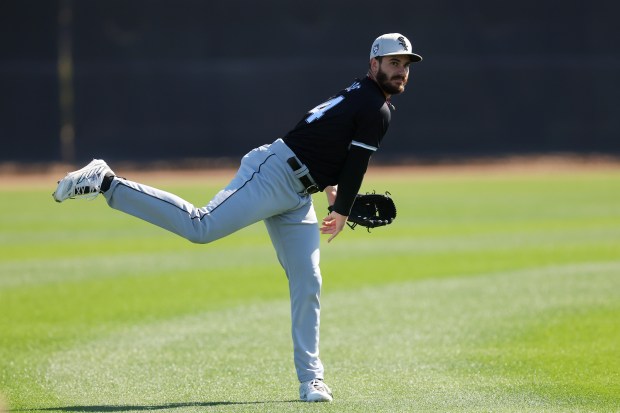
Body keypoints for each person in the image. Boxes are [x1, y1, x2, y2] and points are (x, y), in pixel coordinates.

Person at [52, 33, 422, 402]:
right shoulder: (377, 108)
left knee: (308, 280)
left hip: (297, 193)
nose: (400, 70)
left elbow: (325, 135)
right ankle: (106, 181)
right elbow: (355, 162)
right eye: (393, 62)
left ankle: (312, 379)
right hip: (274, 174)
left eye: (405, 64)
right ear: (373, 64)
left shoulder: (361, 93)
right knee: (201, 225)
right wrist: (341, 212)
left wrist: (328, 187)